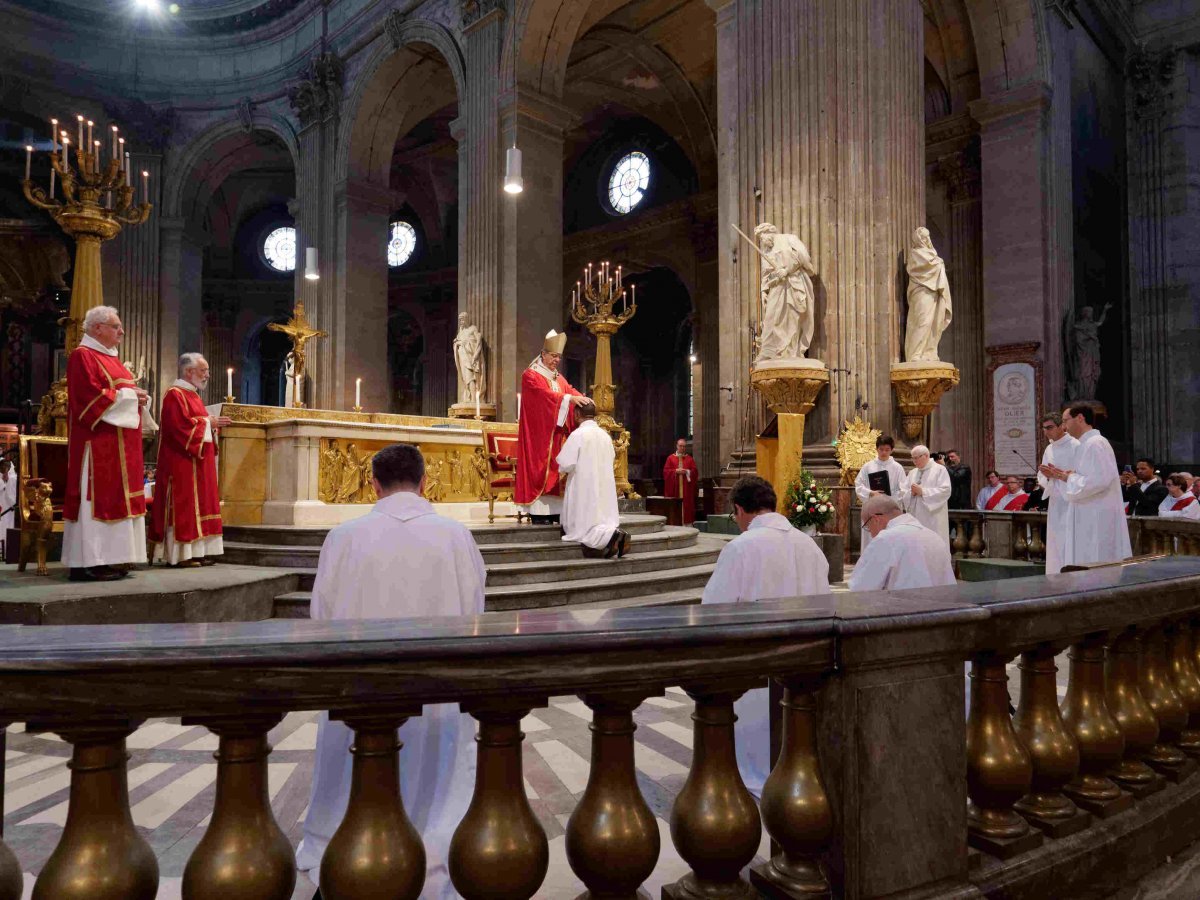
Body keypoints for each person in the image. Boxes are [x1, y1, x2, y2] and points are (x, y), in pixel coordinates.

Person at [296, 444, 483, 898]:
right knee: (437, 782)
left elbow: (320, 618)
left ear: (373, 484)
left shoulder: (342, 538)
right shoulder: (457, 537)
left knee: (352, 777)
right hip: (436, 695)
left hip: (358, 695)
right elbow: (476, 610)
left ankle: (341, 840)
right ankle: (435, 845)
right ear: (424, 482)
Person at [701, 475, 830, 798]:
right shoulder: (808, 545)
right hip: (806, 661)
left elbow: (714, 609)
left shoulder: (740, 548)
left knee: (756, 741)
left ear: (740, 509)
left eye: (735, 515)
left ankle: (756, 778)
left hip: (757, 665)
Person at [62, 305, 149, 582]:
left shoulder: (114, 359)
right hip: (97, 445)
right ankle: (88, 561)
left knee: (120, 500)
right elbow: (88, 399)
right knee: (96, 500)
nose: (121, 331)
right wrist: (130, 396)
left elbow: (120, 393)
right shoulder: (82, 356)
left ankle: (113, 558)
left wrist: (138, 398)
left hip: (122, 445)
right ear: (97, 328)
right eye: (116, 326)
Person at [148, 354, 232, 567]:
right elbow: (179, 428)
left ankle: (197, 552)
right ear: (188, 372)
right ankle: (181, 555)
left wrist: (210, 424)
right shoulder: (174, 395)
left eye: (207, 371)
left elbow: (197, 423)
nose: (207, 375)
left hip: (196, 461)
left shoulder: (193, 395)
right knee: (184, 506)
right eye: (203, 371)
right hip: (180, 463)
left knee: (201, 505)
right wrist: (208, 422)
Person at [1039, 405, 1131, 568]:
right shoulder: (1087, 444)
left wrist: (1066, 476)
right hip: (1086, 512)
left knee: (1094, 560)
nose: (1064, 426)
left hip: (1095, 516)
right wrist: (1065, 475)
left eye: (1066, 421)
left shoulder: (1095, 444)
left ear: (1080, 418)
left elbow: (1098, 481)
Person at [515, 330, 589, 523]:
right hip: (539, 436)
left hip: (557, 436)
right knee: (542, 469)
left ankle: (556, 512)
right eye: (553, 356)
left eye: (559, 357)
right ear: (543, 354)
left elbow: (569, 390)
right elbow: (543, 397)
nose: (556, 360)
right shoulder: (531, 375)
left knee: (558, 471)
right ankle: (539, 513)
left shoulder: (557, 377)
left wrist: (581, 398)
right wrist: (567, 398)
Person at [557, 400, 629, 558]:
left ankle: (610, 537)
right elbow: (611, 458)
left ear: (577, 415)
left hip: (583, 487)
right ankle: (613, 534)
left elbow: (565, 464)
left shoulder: (577, 435)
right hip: (603, 485)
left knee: (584, 525)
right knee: (602, 518)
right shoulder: (605, 436)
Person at [849, 496, 956, 591]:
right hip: (940, 610)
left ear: (876, 519)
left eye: (868, 526)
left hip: (901, 610)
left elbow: (861, 589)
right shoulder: (935, 537)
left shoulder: (885, 540)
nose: (871, 534)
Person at [753, 223, 818, 361]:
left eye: (762, 237)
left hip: (793, 283)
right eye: (760, 239)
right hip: (777, 286)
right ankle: (769, 351)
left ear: (769, 232)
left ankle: (790, 352)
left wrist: (787, 270)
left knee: (791, 318)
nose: (762, 241)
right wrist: (764, 290)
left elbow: (803, 258)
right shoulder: (767, 251)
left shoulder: (789, 239)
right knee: (771, 316)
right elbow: (766, 273)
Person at [903, 226, 954, 362]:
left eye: (927, 237)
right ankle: (915, 353)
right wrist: (938, 263)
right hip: (921, 292)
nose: (927, 240)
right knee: (922, 321)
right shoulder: (915, 253)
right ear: (918, 239)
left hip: (934, 291)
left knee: (934, 323)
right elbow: (921, 268)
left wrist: (938, 263)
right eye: (924, 237)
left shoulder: (932, 255)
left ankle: (928, 352)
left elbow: (934, 265)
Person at [1037, 411, 1079, 575]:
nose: (1046, 432)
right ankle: (1055, 575)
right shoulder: (1049, 448)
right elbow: (1042, 476)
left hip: (1071, 500)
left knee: (1069, 539)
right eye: (1044, 428)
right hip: (1055, 500)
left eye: (1050, 427)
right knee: (1055, 540)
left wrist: (1061, 475)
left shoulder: (1075, 445)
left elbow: (1081, 475)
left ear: (1062, 426)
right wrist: (1047, 477)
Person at [853, 434, 906, 553]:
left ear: (892, 450)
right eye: (881, 449)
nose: (884, 452)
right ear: (876, 449)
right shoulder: (868, 466)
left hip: (889, 510)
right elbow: (858, 485)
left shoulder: (897, 468)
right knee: (871, 539)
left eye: (887, 450)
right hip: (872, 508)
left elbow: (904, 490)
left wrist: (888, 499)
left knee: (889, 539)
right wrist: (870, 493)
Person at [902, 444, 951, 546]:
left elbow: (945, 491)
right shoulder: (912, 472)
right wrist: (910, 493)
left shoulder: (940, 470)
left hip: (932, 517)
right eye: (913, 458)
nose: (914, 461)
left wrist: (923, 492)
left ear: (926, 456)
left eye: (916, 458)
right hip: (915, 517)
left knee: (932, 544)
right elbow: (903, 491)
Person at [663, 437, 699, 524]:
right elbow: (665, 472)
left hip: (686, 490)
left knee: (687, 507)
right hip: (674, 490)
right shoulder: (670, 458)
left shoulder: (689, 459)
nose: (682, 448)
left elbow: (695, 472)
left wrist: (687, 471)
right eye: (680, 446)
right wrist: (675, 471)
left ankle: (687, 524)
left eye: (684, 446)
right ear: (677, 446)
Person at [0, 458, 15, 559]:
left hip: (10, 509)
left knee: (8, 525)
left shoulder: (13, 478)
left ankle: (7, 551)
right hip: (4, 505)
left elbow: (11, 496)